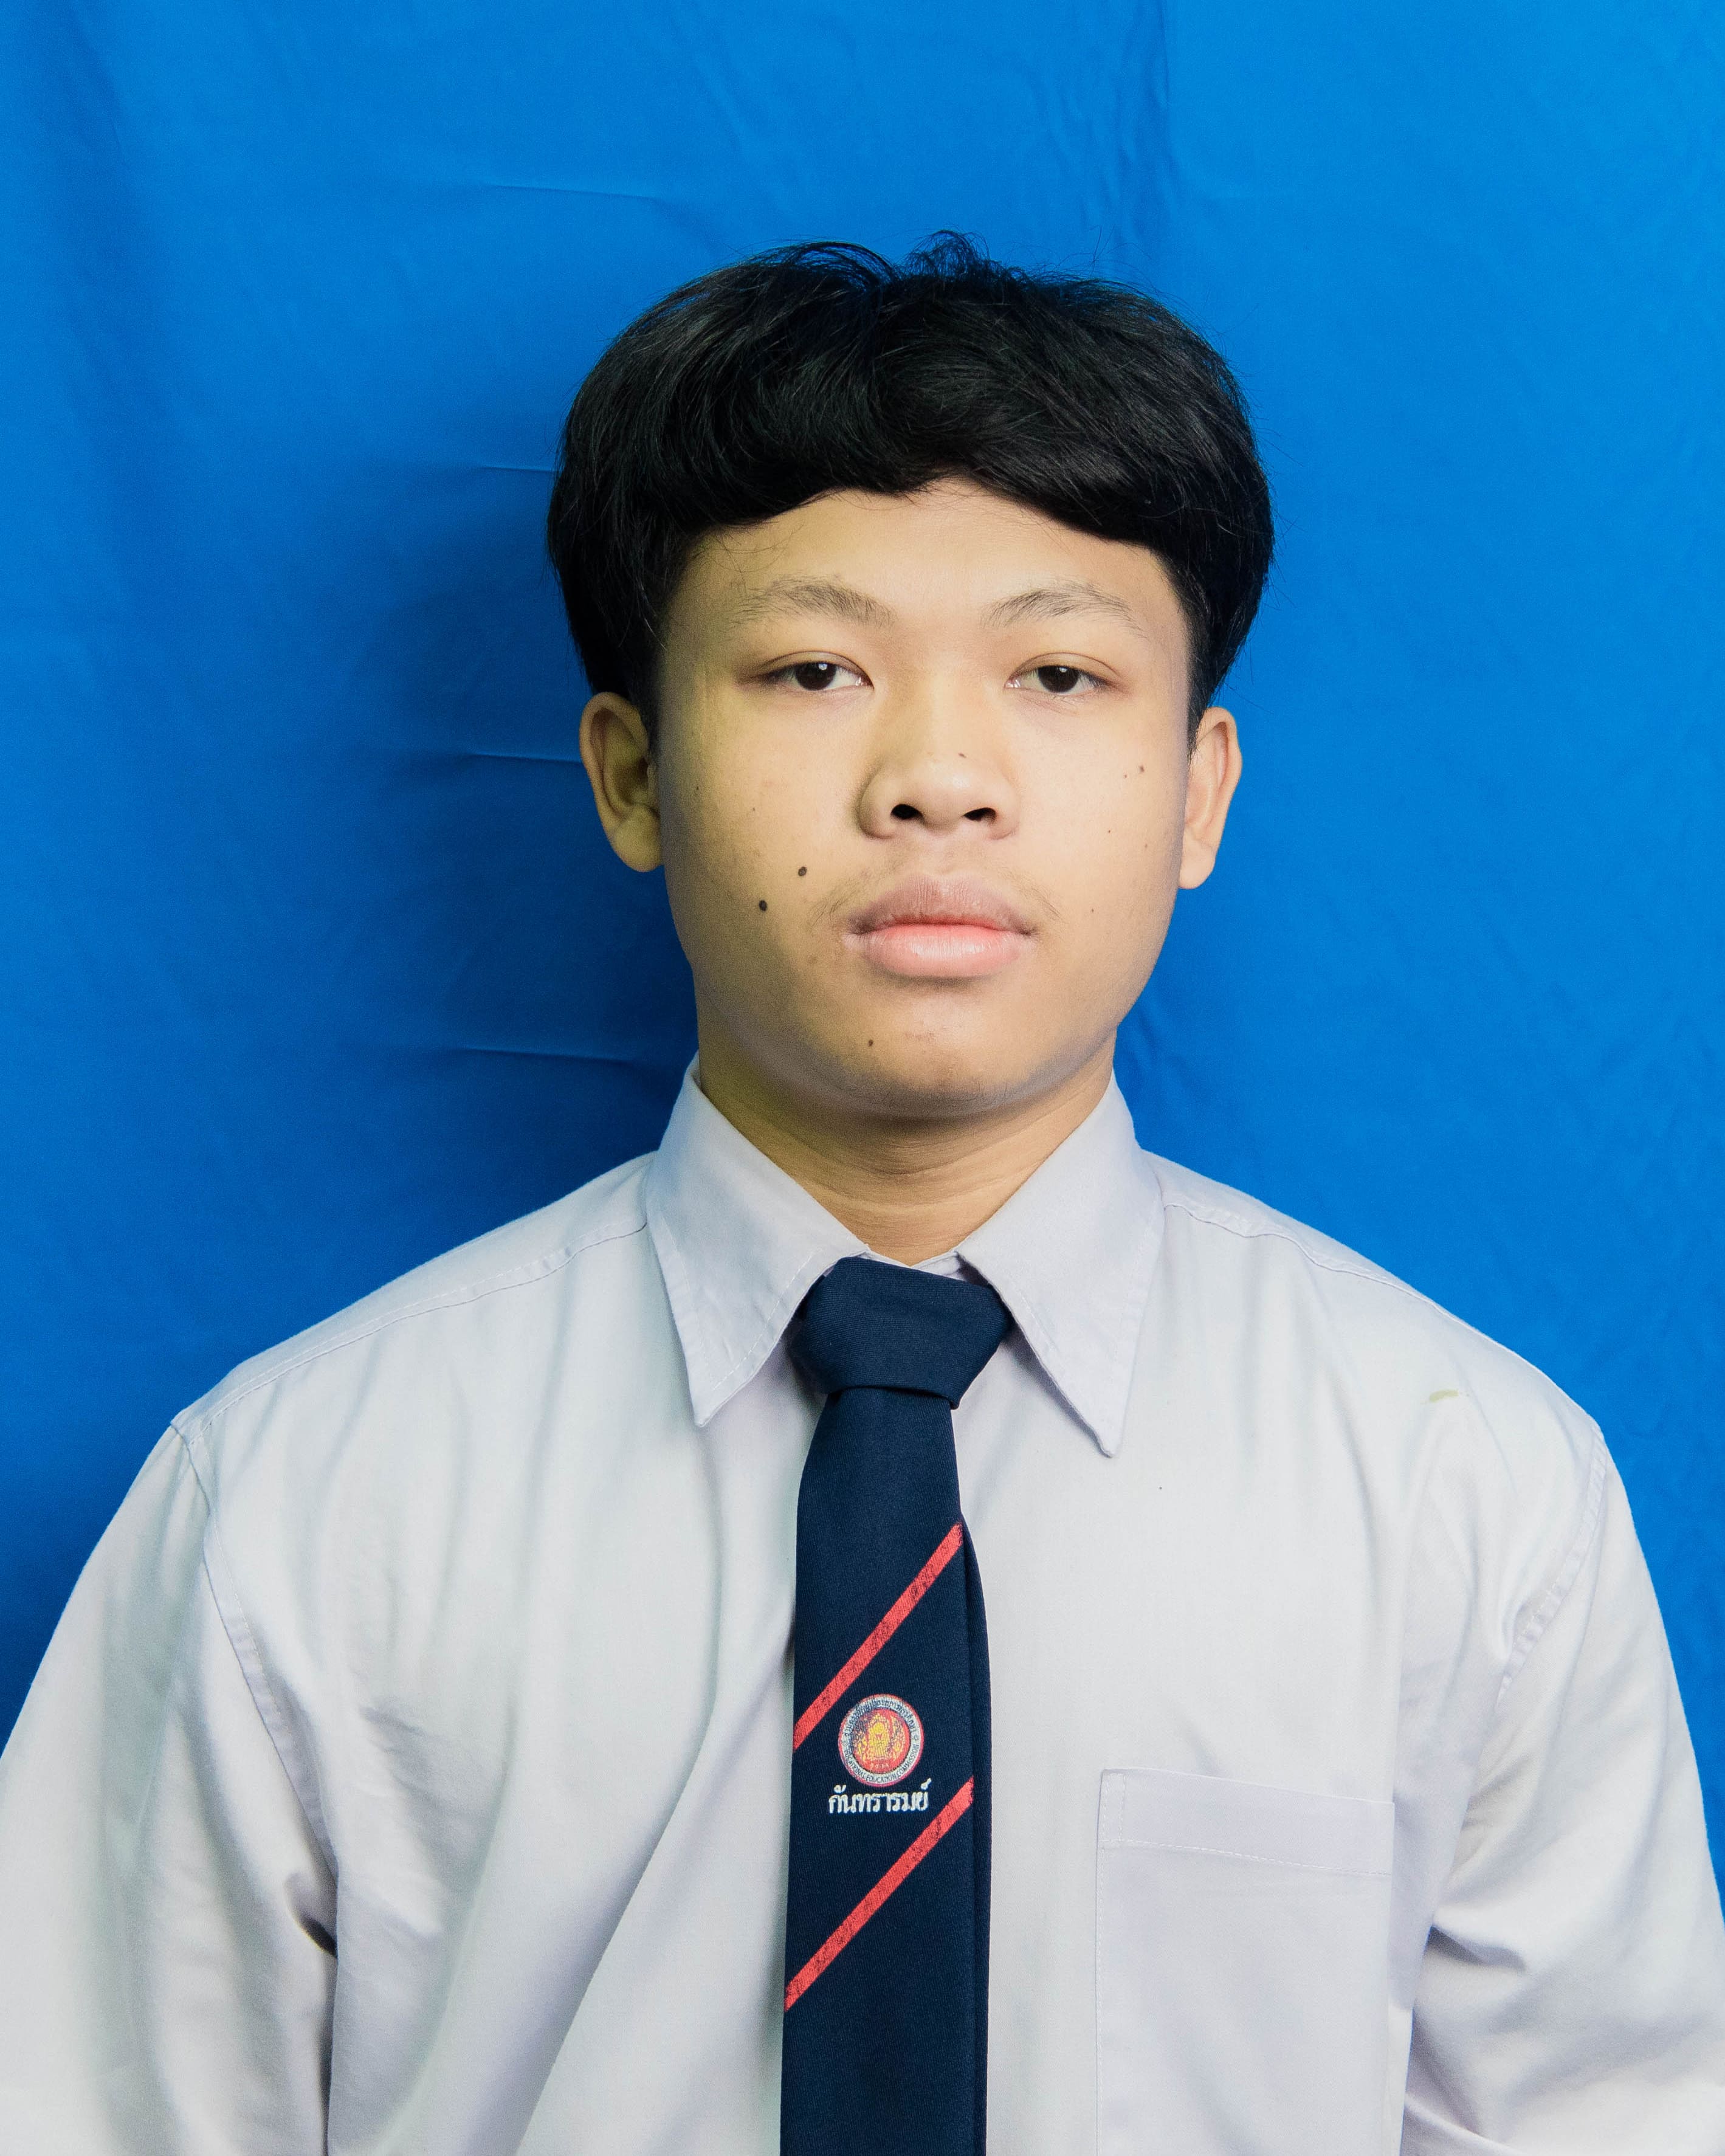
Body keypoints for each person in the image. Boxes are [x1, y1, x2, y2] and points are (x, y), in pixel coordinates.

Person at [0, 236, 1720, 2156]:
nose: (939, 776)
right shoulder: (297, 1505)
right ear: (632, 775)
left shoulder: (1470, 1494)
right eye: (816, 668)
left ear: (1198, 791)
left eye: (1058, 672)